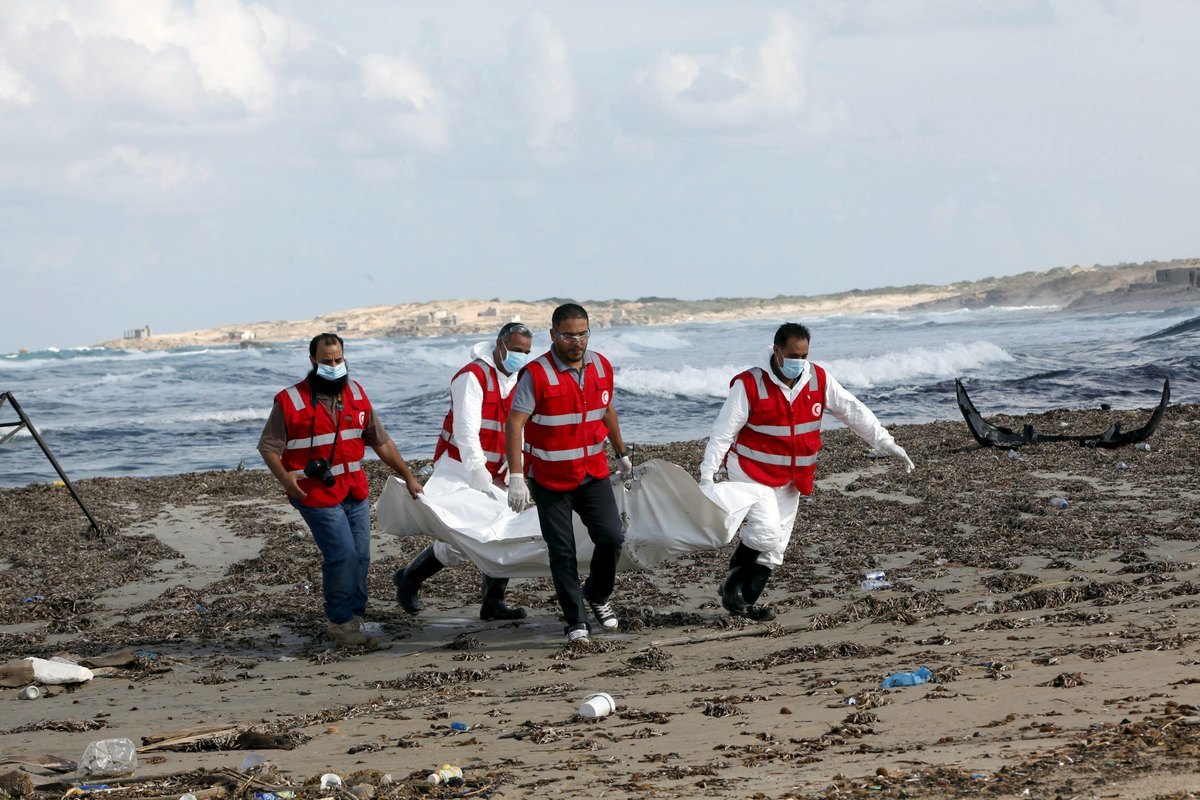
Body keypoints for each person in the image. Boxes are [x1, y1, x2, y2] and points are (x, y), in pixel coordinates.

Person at [700, 322, 914, 622]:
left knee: (776, 549)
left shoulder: (817, 379)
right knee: (765, 533)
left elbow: (852, 411)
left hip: (792, 478)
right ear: (777, 351)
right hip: (752, 473)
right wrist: (707, 476)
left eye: (804, 355)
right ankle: (732, 587)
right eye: (793, 355)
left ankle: (742, 602)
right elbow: (722, 433)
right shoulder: (748, 385)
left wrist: (886, 442)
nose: (799, 362)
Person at [259, 332, 423, 647]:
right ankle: (340, 621)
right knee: (342, 555)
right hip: (314, 494)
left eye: (338, 360)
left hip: (354, 491)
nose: (334, 366)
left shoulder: (357, 393)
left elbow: (382, 442)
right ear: (312, 361)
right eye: (326, 361)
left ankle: (355, 616)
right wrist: (285, 479)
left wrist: (409, 476)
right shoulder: (290, 400)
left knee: (361, 556)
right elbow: (268, 447)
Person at [505, 303, 633, 643]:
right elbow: (515, 422)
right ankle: (576, 622)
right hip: (548, 478)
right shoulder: (536, 374)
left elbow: (606, 411)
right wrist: (516, 476)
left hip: (592, 471)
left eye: (582, 334)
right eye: (568, 335)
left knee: (611, 537)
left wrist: (621, 454)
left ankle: (597, 594)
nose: (576, 341)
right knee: (562, 551)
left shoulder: (601, 366)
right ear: (553, 335)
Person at [393, 321, 534, 621]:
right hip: (460, 466)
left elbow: (518, 428)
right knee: (460, 536)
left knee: (504, 530)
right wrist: (478, 472)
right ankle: (409, 578)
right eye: (517, 350)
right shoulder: (472, 377)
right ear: (500, 346)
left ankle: (493, 602)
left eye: (527, 351)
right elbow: (466, 431)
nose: (522, 356)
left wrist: (516, 468)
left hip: (498, 468)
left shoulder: (520, 378)